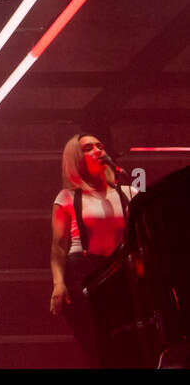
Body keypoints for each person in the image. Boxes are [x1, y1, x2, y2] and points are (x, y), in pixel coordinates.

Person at [49, 133, 135, 366]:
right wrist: (58, 283)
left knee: (127, 339)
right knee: (98, 342)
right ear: (76, 159)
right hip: (83, 272)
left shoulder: (128, 194)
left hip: (120, 271)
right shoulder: (67, 197)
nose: (97, 150)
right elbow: (58, 246)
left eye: (100, 146)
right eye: (88, 148)